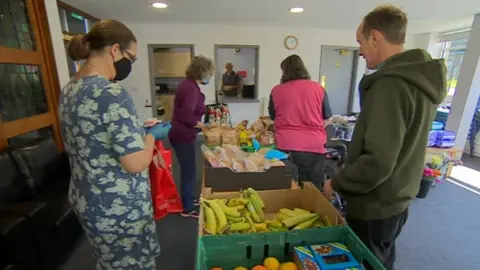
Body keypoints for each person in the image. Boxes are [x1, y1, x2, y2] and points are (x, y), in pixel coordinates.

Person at [322, 5, 446, 270]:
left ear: (375, 37)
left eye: (361, 42)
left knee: (367, 261)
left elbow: (378, 160)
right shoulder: (419, 80)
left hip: (374, 202)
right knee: (382, 258)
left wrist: (338, 183)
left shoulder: (390, 85)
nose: (361, 51)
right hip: (398, 196)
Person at [58, 19, 170, 270]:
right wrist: (152, 135)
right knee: (132, 265)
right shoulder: (111, 93)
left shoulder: (70, 88)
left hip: (86, 197)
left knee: (109, 263)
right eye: (131, 58)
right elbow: (135, 163)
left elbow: (94, 137)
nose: (129, 65)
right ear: (115, 50)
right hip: (118, 206)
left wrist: (136, 131)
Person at [268, 54, 332, 188]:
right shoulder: (318, 88)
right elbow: (327, 117)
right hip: (314, 146)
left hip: (286, 144)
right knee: (312, 189)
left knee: (288, 187)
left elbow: (273, 116)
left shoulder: (276, 90)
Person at [169, 55, 215, 218]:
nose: (210, 76)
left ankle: (189, 199)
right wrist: (204, 125)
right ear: (202, 71)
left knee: (189, 168)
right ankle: (187, 208)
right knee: (188, 170)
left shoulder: (188, 85)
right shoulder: (190, 88)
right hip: (182, 135)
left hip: (182, 133)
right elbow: (186, 116)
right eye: (209, 72)